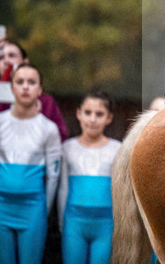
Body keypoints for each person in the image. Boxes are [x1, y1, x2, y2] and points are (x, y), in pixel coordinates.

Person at [0, 63, 61, 263]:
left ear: (40, 90)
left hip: (33, 208)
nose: (25, 86)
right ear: (11, 87)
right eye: (20, 81)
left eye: (31, 82)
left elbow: (53, 176)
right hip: (1, 207)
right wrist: (1, 193)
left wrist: (42, 208)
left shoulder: (49, 129)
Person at [58, 90, 121, 264]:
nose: (92, 119)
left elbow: (121, 193)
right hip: (74, 225)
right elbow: (63, 188)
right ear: (79, 114)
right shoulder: (67, 148)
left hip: (105, 227)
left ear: (109, 118)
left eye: (99, 114)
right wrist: (62, 224)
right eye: (87, 112)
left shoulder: (117, 149)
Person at [0, 27, 69, 141]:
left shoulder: (45, 102)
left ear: (25, 61)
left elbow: (60, 138)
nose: (6, 61)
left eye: (12, 55)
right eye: (1, 58)